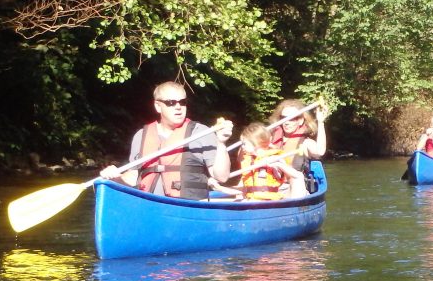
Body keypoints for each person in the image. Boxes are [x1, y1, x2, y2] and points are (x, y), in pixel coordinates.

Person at [100, 81, 233, 199]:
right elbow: (133, 177)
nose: (178, 107)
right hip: (149, 205)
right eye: (171, 103)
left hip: (187, 206)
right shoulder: (141, 136)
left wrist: (221, 142)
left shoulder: (202, 132)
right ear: (158, 106)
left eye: (183, 102)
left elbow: (221, 176)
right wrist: (115, 177)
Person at [211, 122, 305, 200]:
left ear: (256, 142)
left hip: (271, 202)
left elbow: (297, 177)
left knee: (299, 177)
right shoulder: (249, 162)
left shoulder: (276, 158)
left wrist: (278, 164)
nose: (242, 147)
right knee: (239, 199)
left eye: (244, 144)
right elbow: (244, 189)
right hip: (253, 201)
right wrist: (219, 188)